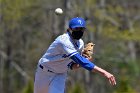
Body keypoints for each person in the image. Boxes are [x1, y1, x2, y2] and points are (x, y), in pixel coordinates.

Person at [34, 17, 116, 93]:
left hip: (60, 74)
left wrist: (84, 61)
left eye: (82, 29)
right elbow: (81, 61)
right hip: (44, 72)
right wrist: (104, 72)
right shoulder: (64, 41)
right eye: (76, 28)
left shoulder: (80, 44)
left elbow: (71, 66)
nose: (79, 31)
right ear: (70, 29)